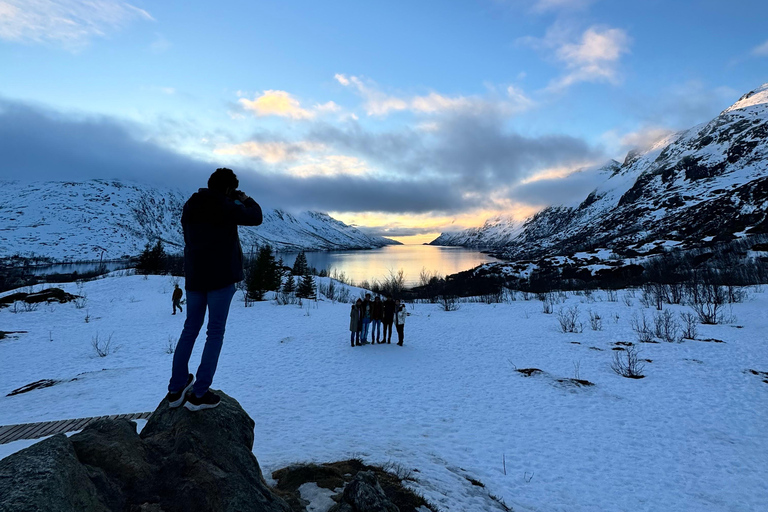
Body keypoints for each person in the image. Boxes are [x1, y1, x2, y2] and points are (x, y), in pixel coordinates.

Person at [166, 168, 263, 411]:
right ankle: (199, 393)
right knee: (215, 333)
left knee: (190, 330)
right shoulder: (226, 205)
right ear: (229, 189)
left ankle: (176, 389)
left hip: (195, 278)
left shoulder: (191, 204)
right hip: (220, 279)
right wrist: (244, 198)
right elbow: (256, 216)